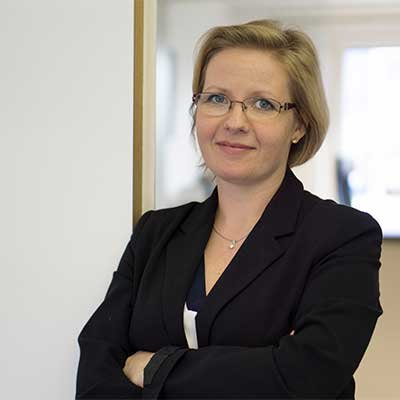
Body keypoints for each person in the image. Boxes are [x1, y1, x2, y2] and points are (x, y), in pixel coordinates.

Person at [76, 19, 382, 399]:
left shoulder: (341, 235)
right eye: (217, 98)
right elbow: (96, 367)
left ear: (299, 124)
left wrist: (155, 368)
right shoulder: (156, 232)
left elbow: (307, 375)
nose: (234, 122)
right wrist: (257, 365)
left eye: (263, 104)